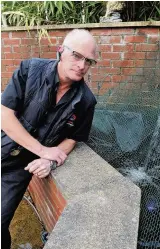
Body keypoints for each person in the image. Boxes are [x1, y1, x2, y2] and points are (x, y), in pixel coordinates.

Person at [1, 29, 97, 249]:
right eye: (77, 56)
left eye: (89, 61)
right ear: (60, 51)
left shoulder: (86, 101)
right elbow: (4, 116)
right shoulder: (30, 70)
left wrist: (50, 160)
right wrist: (43, 150)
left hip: (19, 168)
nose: (82, 65)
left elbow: (73, 139)